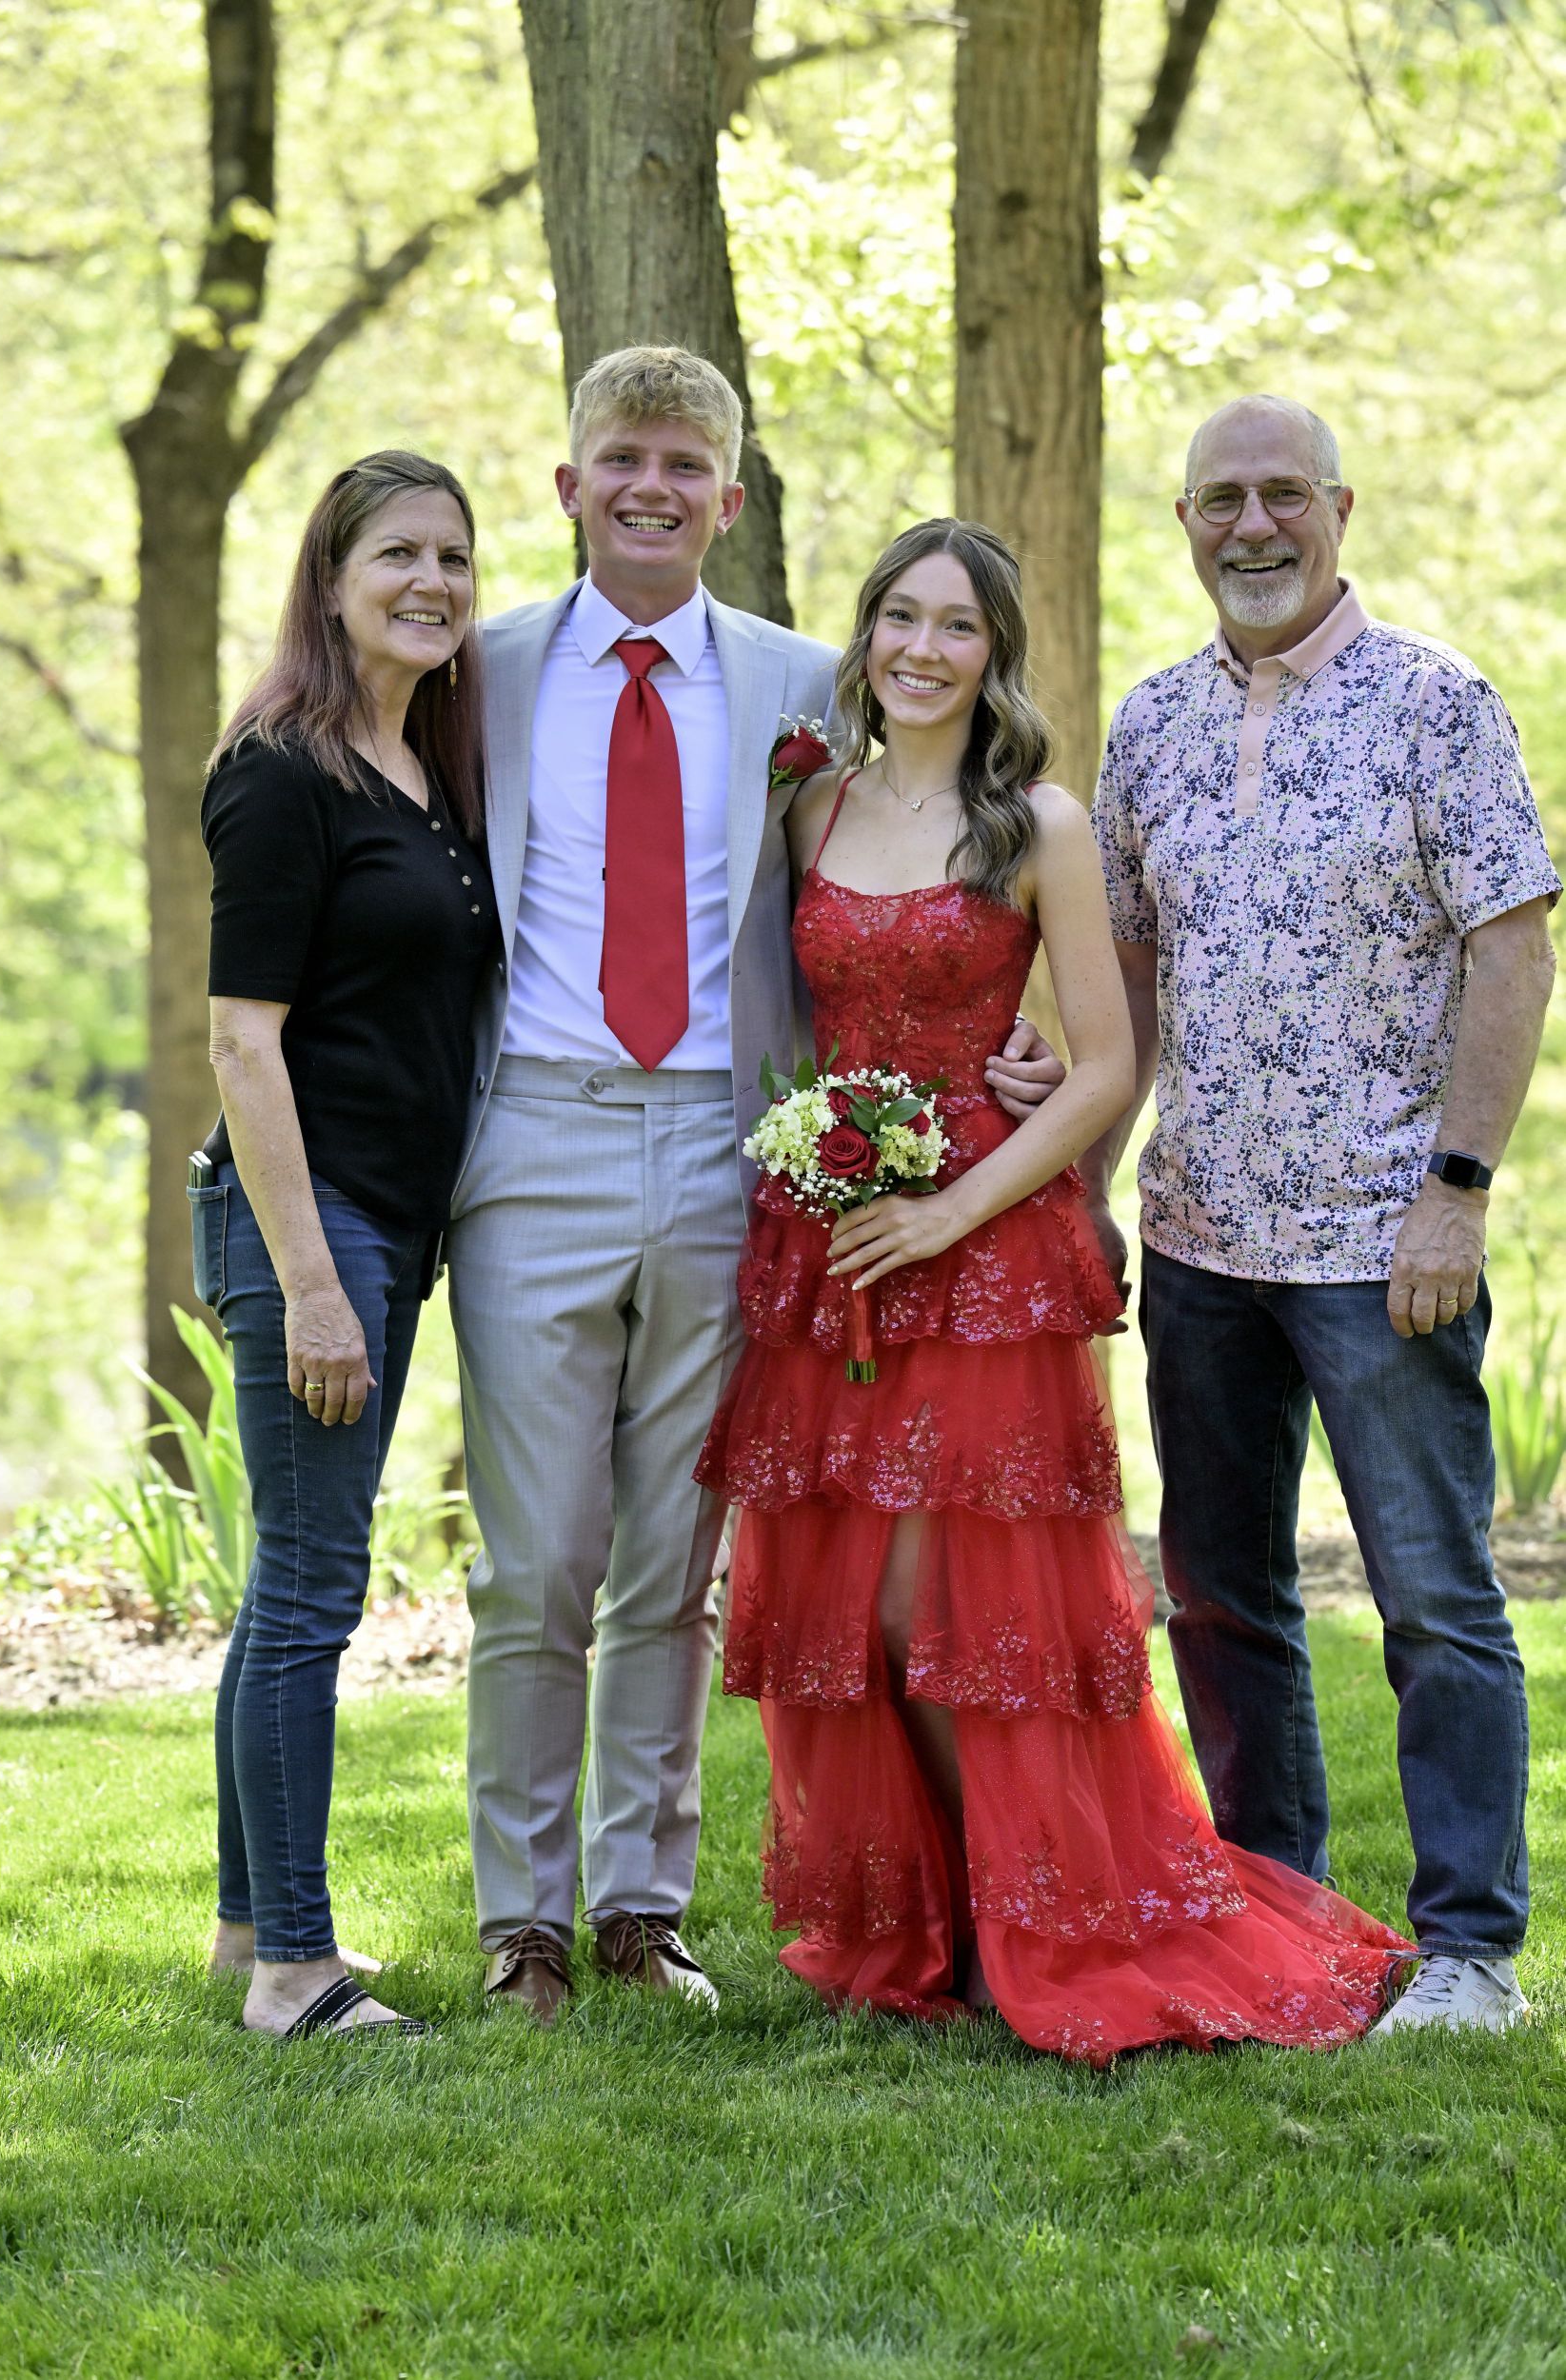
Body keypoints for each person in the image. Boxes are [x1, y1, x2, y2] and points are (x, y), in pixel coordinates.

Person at [697, 517, 1411, 2061]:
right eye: (901, 617)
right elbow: (783, 1013)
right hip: (837, 1232)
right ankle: (944, 1920)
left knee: (957, 1614)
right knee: (854, 1612)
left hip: (984, 1248)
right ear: (866, 636)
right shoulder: (809, 808)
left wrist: (948, 1209)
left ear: (993, 655)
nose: (924, 649)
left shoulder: (1038, 825)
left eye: (956, 626)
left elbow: (1097, 1067)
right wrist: (828, 1160)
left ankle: (1043, 1918)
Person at [446, 348, 1058, 2024]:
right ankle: (520, 1922)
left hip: (737, 1149)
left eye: (683, 466)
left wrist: (1010, 1044)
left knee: (670, 1556)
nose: (649, 488)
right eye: (620, 458)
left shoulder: (804, 685)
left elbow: (931, 865)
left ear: (728, 497)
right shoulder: (479, 674)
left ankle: (640, 1910)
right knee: (535, 1563)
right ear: (569, 484)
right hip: (536, 1136)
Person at [1080, 395, 1559, 2036]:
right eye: (1219, 499)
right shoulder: (1148, 726)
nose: (1252, 526)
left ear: (1338, 510)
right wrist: (1088, 1193)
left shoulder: (1435, 703)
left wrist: (1454, 1192)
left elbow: (1512, 949)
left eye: (1282, 493)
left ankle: (1469, 1952)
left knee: (1433, 1600)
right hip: (1198, 1240)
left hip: (1380, 1244)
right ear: (1183, 522)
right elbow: (1127, 984)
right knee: (1221, 1600)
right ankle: (1273, 1914)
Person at [195, 451, 498, 2036]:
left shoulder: (427, 767)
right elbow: (243, 1040)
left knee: (286, 1589)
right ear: (330, 578)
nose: (429, 581)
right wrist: (313, 1282)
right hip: (310, 1225)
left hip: (386, 1224)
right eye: (396, 553)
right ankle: (299, 1972)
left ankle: (248, 1931)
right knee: (314, 1593)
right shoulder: (281, 770)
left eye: (452, 555)